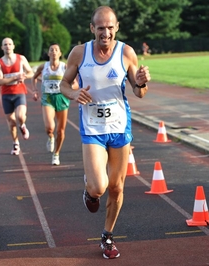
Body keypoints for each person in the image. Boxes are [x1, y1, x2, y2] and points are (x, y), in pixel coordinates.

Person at [60, 6, 151, 259]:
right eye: (101, 28)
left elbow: (139, 91)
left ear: (117, 27)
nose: (106, 33)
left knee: (117, 187)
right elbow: (63, 84)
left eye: (110, 27)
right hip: (92, 129)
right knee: (99, 186)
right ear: (92, 29)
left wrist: (142, 81)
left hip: (120, 127)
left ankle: (107, 236)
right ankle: (89, 191)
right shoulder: (80, 53)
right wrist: (74, 93)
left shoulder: (127, 53)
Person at [31, 44, 77, 165]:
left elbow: (75, 83)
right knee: (50, 127)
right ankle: (50, 137)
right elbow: (34, 77)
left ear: (60, 53)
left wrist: (71, 89)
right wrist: (35, 90)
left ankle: (56, 153)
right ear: (48, 53)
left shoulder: (65, 67)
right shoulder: (43, 66)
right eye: (52, 50)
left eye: (56, 50)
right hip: (48, 98)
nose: (54, 52)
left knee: (61, 131)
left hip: (61, 98)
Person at [0, 37, 34, 155]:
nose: (7, 46)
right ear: (2, 47)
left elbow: (31, 72)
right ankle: (16, 143)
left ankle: (22, 125)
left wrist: (24, 77)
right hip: (6, 95)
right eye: (5, 44)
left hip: (19, 93)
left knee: (20, 116)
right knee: (11, 122)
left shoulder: (21, 59)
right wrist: (15, 77)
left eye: (9, 44)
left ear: (13, 46)